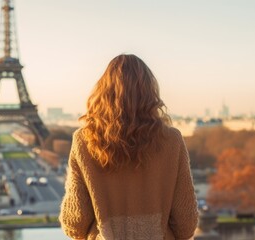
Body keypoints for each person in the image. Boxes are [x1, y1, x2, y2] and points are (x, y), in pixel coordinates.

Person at [59, 54, 199, 240]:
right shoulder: (172, 141)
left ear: (103, 92)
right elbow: (186, 224)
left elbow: (75, 223)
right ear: (150, 93)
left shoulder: (84, 141)